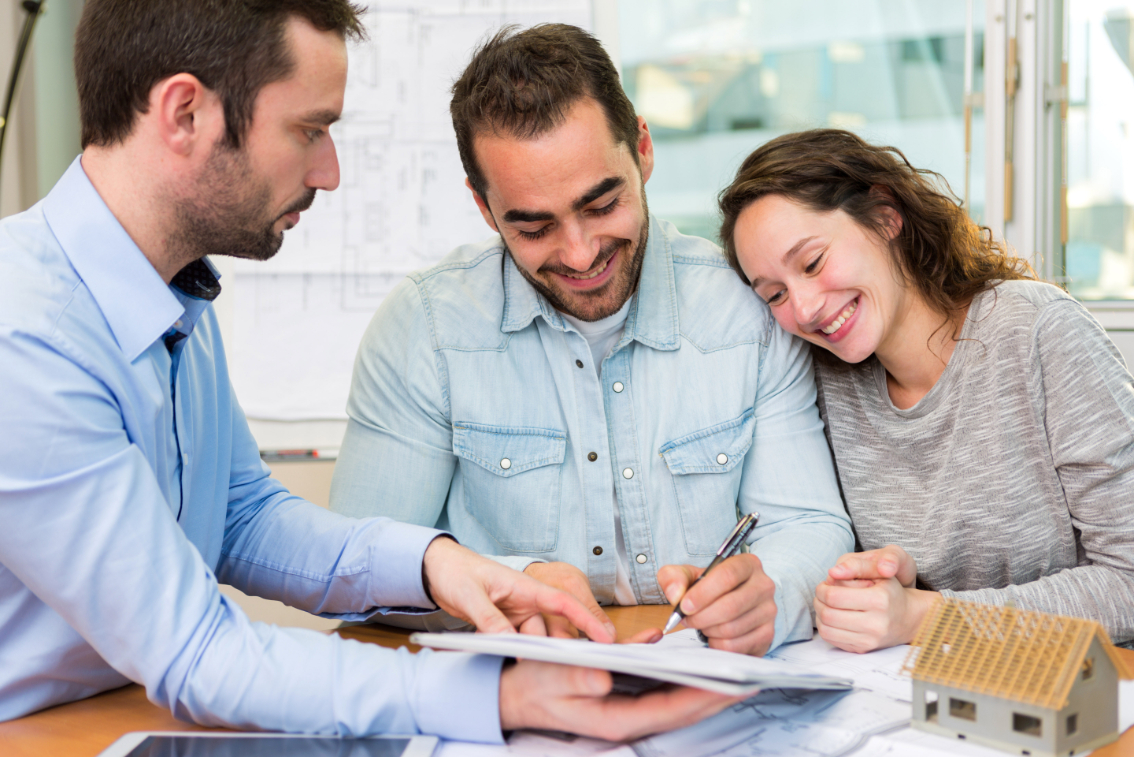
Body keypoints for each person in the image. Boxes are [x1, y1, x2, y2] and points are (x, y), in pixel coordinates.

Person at [0, 0, 738, 740]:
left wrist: (435, 563)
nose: (330, 171)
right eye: (310, 129)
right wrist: (502, 696)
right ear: (185, 112)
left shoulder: (172, 291)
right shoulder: (24, 333)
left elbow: (241, 518)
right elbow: (196, 650)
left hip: (110, 717)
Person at [329, 24, 853, 657]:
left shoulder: (751, 307)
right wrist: (512, 585)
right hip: (501, 697)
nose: (580, 254)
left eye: (602, 206)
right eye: (534, 227)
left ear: (643, 151)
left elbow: (812, 526)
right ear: (485, 208)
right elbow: (355, 568)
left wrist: (770, 591)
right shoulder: (426, 330)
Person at [717, 128, 1134, 653]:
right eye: (775, 294)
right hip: (923, 699)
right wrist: (890, 589)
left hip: (1079, 700)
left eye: (813, 263)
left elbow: (1128, 583)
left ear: (886, 215)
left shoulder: (1037, 331)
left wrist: (927, 616)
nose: (802, 309)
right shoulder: (825, 381)